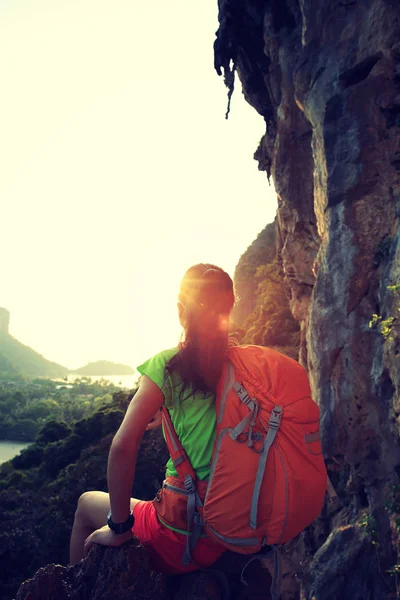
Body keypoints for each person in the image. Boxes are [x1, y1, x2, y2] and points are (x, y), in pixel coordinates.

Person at [69, 263, 235, 574]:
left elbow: (122, 446)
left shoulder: (169, 366)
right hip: (231, 528)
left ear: (180, 309)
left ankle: (76, 588)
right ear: (230, 308)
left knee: (84, 504)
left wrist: (120, 527)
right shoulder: (240, 364)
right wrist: (168, 414)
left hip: (181, 535)